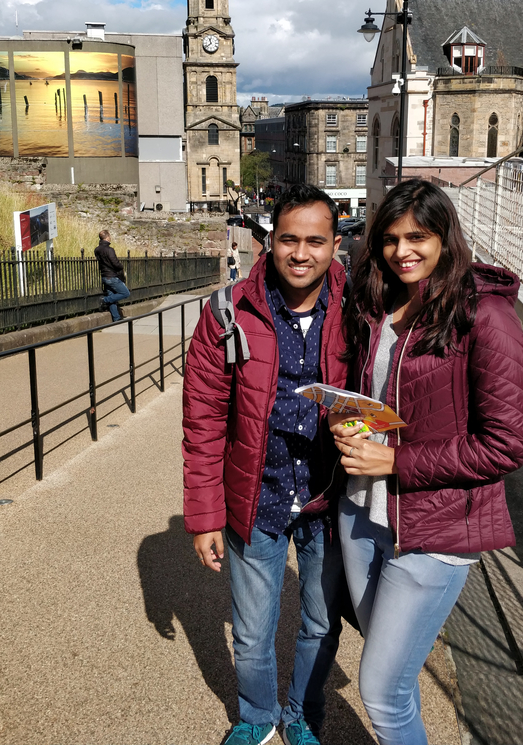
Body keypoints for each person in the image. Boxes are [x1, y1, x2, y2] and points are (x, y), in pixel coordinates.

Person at [329, 179, 523, 745]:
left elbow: (506, 444)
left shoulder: (485, 317)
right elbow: (383, 398)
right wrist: (349, 419)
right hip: (361, 514)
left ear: (446, 236)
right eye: (390, 239)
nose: (402, 251)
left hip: (436, 529)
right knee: (394, 674)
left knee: (379, 690)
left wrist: (393, 462)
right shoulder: (379, 302)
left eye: (417, 236)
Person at [183, 185, 348, 745]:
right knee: (253, 632)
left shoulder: (358, 310)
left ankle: (300, 712)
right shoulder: (228, 312)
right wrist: (204, 515)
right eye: (289, 239)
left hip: (330, 499)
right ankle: (257, 715)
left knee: (322, 623)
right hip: (257, 497)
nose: (301, 253)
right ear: (268, 241)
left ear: (334, 243)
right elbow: (203, 421)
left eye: (315, 241)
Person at [94, 229, 130, 323]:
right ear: (107, 237)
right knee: (125, 293)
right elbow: (115, 263)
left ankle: (116, 318)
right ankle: (104, 300)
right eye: (109, 236)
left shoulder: (97, 250)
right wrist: (121, 266)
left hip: (104, 275)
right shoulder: (110, 250)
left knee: (112, 296)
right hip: (112, 276)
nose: (110, 238)